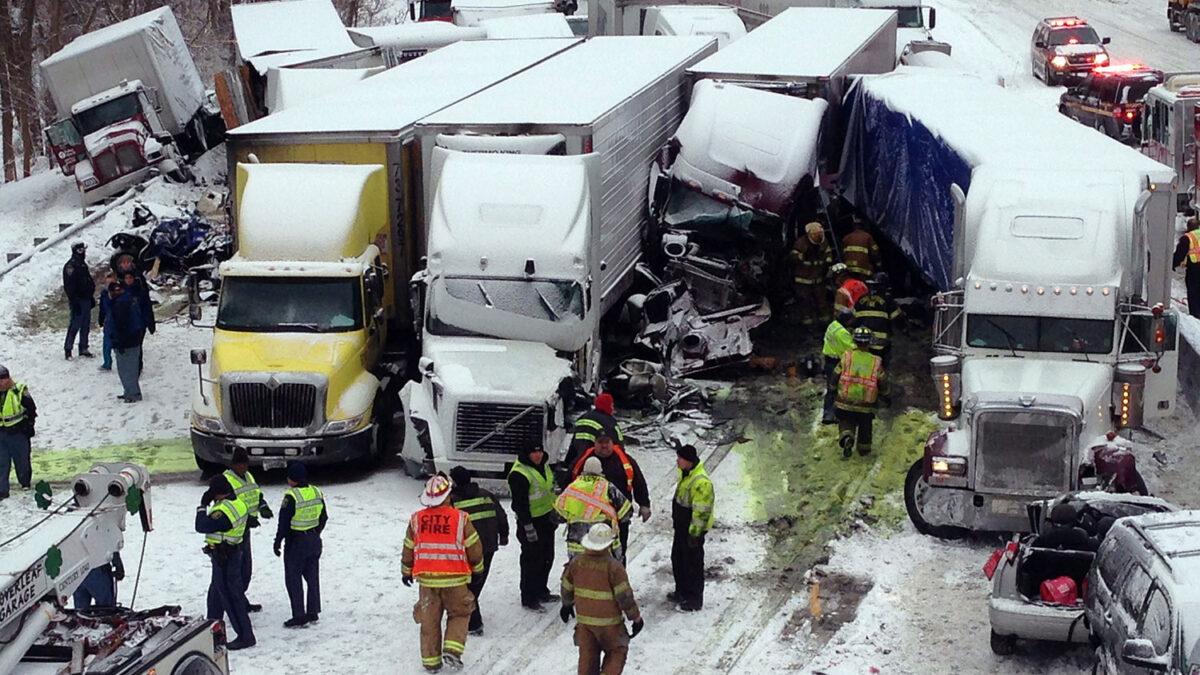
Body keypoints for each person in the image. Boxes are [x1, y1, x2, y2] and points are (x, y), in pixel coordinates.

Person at [402, 473, 484, 673]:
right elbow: (474, 547)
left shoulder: (416, 520)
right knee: (460, 613)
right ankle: (452, 650)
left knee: (429, 620)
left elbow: (408, 548)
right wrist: (478, 570)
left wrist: (406, 571)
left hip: (427, 581)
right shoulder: (461, 519)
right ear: (448, 496)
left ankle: (431, 663)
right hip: (455, 579)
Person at [560, 523, 644, 675]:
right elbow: (625, 598)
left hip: (585, 625)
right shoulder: (614, 567)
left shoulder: (576, 563)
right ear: (608, 545)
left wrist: (566, 605)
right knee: (617, 652)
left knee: (587, 659)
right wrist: (636, 618)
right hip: (610, 626)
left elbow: (566, 588)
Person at [195, 474, 256, 650]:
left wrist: (202, 506)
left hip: (226, 558)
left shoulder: (223, 511)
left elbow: (201, 526)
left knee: (231, 596)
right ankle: (212, 631)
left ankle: (245, 635)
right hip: (227, 555)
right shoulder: (238, 503)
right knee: (215, 595)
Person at [449, 465, 509, 635]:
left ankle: (474, 623)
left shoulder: (453, 501)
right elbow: (501, 515)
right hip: (488, 547)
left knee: (469, 586)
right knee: (476, 582)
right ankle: (472, 619)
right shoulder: (485, 495)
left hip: (466, 550)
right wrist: (504, 535)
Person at [569, 432, 650, 559]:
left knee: (617, 556)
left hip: (617, 521)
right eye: (600, 443)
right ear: (595, 443)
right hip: (588, 521)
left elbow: (638, 482)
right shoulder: (583, 460)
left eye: (607, 442)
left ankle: (618, 577)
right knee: (589, 557)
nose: (604, 446)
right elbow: (569, 485)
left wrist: (644, 504)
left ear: (613, 443)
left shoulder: (625, 461)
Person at [507, 445, 559, 612]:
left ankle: (542, 590)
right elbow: (519, 504)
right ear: (527, 453)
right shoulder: (519, 474)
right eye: (533, 452)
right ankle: (529, 597)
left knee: (547, 557)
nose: (537, 455)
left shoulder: (544, 466)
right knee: (531, 561)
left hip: (546, 520)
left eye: (539, 451)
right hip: (530, 522)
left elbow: (549, 490)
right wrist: (528, 526)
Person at [274, 462, 326, 628]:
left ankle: (299, 615)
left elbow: (283, 522)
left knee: (293, 579)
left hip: (296, 542)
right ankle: (313, 611)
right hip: (314, 539)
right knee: (312, 577)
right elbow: (324, 517)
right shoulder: (316, 492)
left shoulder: (291, 497)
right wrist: (315, 531)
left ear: (292, 479)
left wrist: (278, 541)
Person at [557, 457, 631, 562]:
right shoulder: (608, 487)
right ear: (600, 471)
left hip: (577, 547)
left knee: (579, 576)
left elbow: (557, 516)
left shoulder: (572, 488)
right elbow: (626, 511)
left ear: (583, 471)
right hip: (603, 545)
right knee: (602, 575)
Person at [225, 448, 272, 612]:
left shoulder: (248, 477)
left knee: (246, 569)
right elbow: (229, 507)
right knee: (236, 570)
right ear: (233, 465)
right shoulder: (227, 480)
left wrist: (263, 505)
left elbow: (255, 494)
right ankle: (236, 602)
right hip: (233, 534)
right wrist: (247, 519)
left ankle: (239, 598)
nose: (243, 467)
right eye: (239, 464)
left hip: (246, 531)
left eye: (245, 464)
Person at [670, 444, 714, 612]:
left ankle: (694, 599)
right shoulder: (686, 474)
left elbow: (701, 512)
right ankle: (681, 591)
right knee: (678, 560)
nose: (677, 461)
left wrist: (694, 535)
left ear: (688, 461)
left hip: (691, 531)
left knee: (692, 565)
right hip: (681, 528)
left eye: (680, 458)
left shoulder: (701, 482)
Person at [834, 327, 889, 459]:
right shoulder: (876, 361)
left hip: (845, 401)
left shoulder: (847, 356)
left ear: (855, 341)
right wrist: (886, 395)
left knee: (845, 421)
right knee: (865, 428)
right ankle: (864, 452)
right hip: (866, 405)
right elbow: (883, 381)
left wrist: (831, 388)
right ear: (870, 342)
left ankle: (847, 436)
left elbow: (835, 374)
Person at [0, 365, 36, 500]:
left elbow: (31, 409)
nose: (2, 382)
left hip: (18, 432)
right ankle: (2, 490)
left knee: (22, 460)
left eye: (4, 378)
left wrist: (29, 426)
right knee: (1, 462)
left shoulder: (19, 390)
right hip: (1, 432)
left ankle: (25, 482)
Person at [790, 222, 834, 327]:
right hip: (803, 279)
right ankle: (808, 324)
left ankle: (825, 322)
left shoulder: (823, 241)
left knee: (822, 301)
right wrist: (802, 256)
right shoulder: (800, 243)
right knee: (805, 301)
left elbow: (828, 252)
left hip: (818, 278)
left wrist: (828, 260)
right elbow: (793, 257)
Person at [565, 392, 624, 470]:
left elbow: (574, 443)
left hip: (579, 462)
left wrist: (568, 464)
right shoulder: (609, 422)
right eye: (612, 405)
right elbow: (619, 444)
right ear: (608, 406)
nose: (613, 409)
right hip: (598, 463)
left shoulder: (583, 418)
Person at [107, 282, 145, 402]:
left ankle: (133, 394)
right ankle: (130, 391)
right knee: (129, 368)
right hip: (133, 340)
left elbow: (121, 326)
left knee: (126, 369)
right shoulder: (127, 300)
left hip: (127, 342)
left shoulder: (120, 304)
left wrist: (119, 341)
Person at [853, 273, 901, 364]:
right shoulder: (888, 300)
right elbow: (898, 320)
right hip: (881, 344)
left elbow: (853, 320)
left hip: (863, 343)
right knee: (879, 368)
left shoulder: (861, 299)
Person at [822, 309, 857, 425]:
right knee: (840, 388)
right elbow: (853, 348)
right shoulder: (842, 333)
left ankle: (827, 413)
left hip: (828, 360)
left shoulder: (832, 325)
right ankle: (836, 414)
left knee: (830, 387)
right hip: (838, 362)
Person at [62, 241, 95, 360]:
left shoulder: (82, 264)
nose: (84, 252)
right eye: (82, 250)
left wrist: (90, 296)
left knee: (85, 324)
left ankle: (83, 347)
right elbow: (69, 286)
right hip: (78, 300)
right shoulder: (71, 266)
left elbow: (87, 281)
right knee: (75, 324)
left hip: (86, 299)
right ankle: (68, 349)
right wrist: (74, 300)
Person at [1173, 213, 1200, 319]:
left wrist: (1173, 264)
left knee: (1193, 292)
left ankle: (1195, 316)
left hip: (1194, 269)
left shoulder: (1188, 238)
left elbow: (1180, 253)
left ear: (1189, 227)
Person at [96, 272, 117, 371]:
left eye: (111, 277)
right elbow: (102, 308)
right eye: (108, 278)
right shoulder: (104, 293)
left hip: (118, 320)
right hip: (108, 321)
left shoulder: (119, 291)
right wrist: (101, 319)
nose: (109, 280)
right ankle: (107, 363)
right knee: (106, 343)